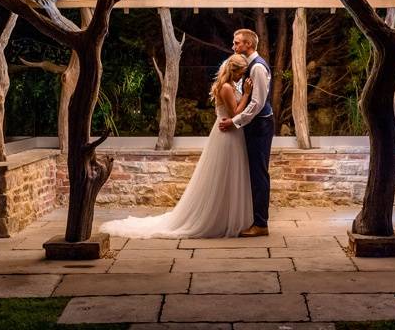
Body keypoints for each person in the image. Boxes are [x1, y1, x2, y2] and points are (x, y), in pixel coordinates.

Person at [99, 54, 254, 238]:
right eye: (241, 73)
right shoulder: (227, 87)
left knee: (229, 177)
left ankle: (227, 217)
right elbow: (235, 112)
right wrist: (246, 94)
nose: (241, 77)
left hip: (230, 133)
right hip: (228, 135)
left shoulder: (228, 85)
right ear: (234, 71)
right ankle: (219, 219)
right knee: (224, 176)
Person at [218, 28, 274, 237]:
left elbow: (257, 103)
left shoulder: (257, 68)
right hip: (255, 125)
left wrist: (235, 121)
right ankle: (256, 219)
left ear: (248, 44)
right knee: (255, 173)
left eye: (237, 43)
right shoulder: (250, 66)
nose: (234, 47)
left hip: (260, 125)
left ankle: (261, 224)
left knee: (259, 174)